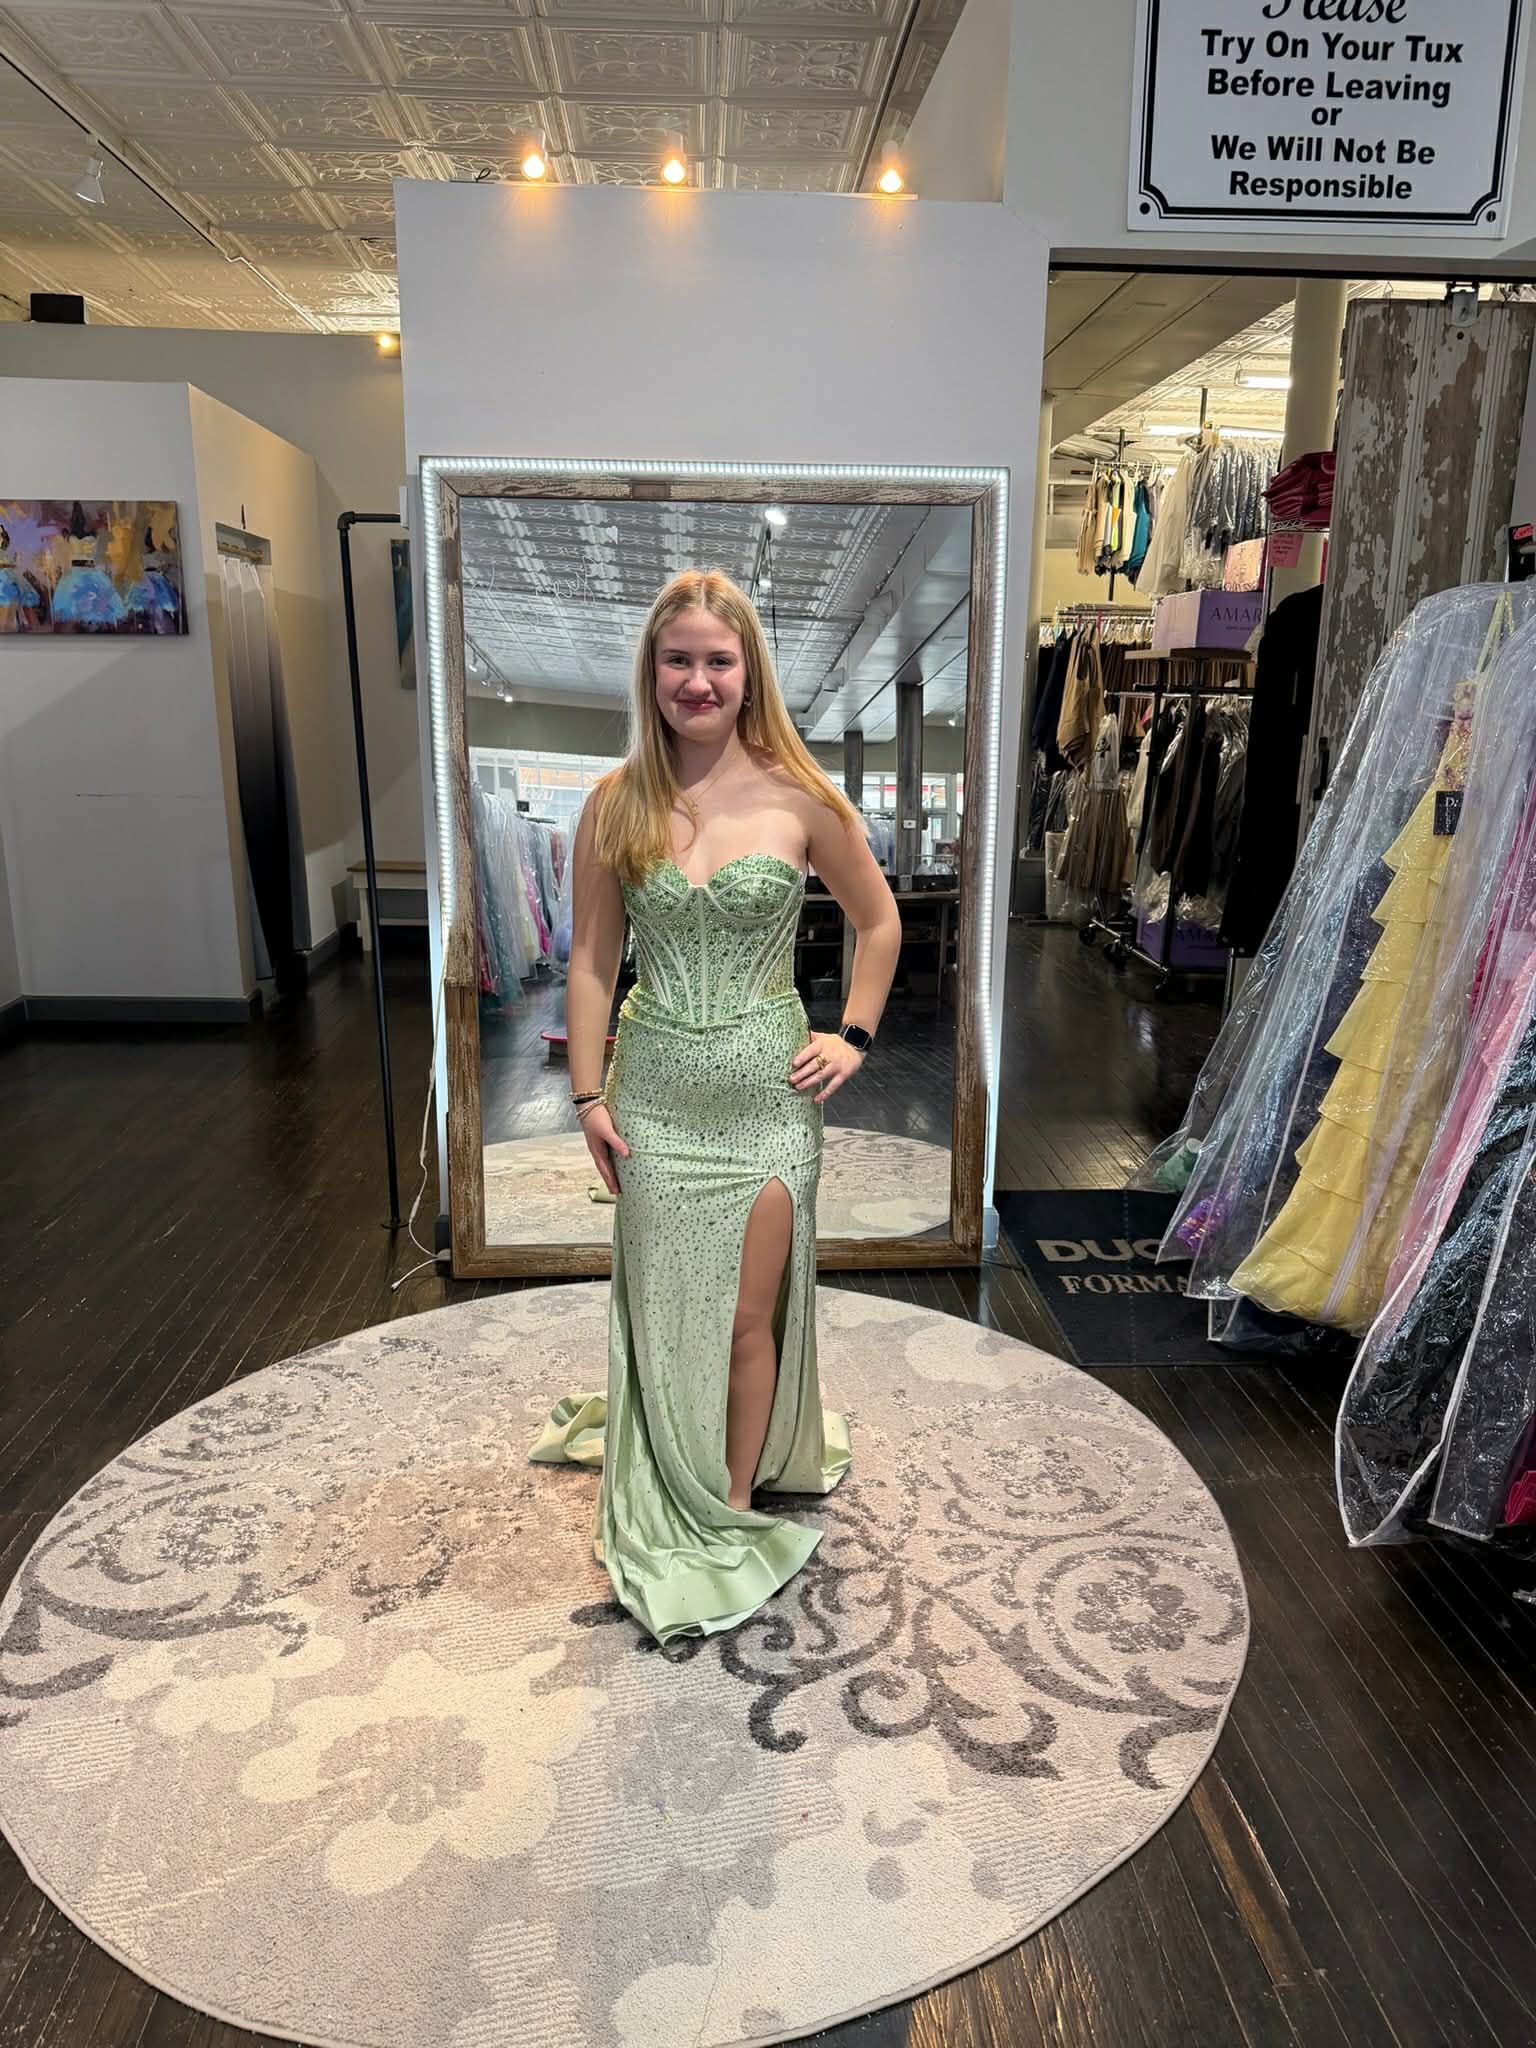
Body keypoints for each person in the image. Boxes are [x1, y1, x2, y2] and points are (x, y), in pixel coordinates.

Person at [528, 568, 902, 1652]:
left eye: (719, 659)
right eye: (678, 657)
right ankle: (671, 1457)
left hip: (767, 1102)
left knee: (745, 1315)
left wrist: (855, 1035)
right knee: (666, 1309)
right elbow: (592, 961)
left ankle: (725, 1504)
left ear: (750, 674)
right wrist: (588, 1093)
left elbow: (878, 926)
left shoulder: (802, 798)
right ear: (653, 671)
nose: (698, 678)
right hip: (653, 1097)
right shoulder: (616, 801)